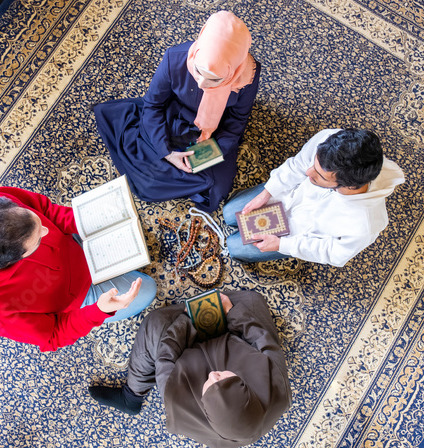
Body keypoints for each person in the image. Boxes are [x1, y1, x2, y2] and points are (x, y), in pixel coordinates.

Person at [0, 186, 157, 352]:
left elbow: (47, 211)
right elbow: (53, 335)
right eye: (37, 240)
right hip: (81, 296)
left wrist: (83, 222)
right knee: (148, 288)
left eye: (36, 222)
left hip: (74, 243)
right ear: (14, 262)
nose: (46, 231)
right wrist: (98, 311)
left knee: (130, 228)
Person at [93, 10, 261, 213]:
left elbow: (236, 121)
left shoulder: (248, 76)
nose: (201, 83)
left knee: (215, 191)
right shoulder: (175, 58)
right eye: (198, 71)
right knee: (150, 180)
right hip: (174, 116)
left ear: (234, 69)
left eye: (215, 80)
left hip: (215, 129)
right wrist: (168, 153)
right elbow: (153, 105)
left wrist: (209, 153)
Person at [89, 290, 292, 448]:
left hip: (185, 350)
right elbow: (261, 337)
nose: (213, 375)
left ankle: (131, 396)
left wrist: (185, 321)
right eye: (223, 378)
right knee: (253, 301)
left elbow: (167, 354)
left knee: (154, 324)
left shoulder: (176, 400)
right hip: (234, 340)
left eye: (210, 385)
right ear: (247, 387)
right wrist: (232, 312)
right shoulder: (276, 379)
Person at [222, 129, 405, 266]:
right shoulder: (330, 140)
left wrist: (283, 244)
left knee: (234, 247)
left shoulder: (364, 225)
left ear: (349, 185)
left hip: (295, 236)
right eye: (314, 165)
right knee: (229, 212)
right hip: (288, 195)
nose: (308, 173)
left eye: (320, 175)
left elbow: (333, 254)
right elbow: (297, 166)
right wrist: (267, 193)